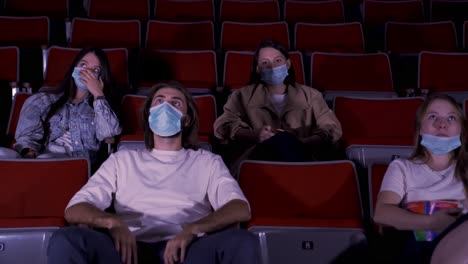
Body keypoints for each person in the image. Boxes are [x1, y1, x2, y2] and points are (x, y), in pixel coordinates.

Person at [47, 82, 259, 264]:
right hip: (129, 249)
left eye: (175, 103)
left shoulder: (208, 162)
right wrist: (113, 222)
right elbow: (75, 209)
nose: (166, 106)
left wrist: (193, 229)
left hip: (189, 249)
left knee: (242, 241)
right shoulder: (122, 160)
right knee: (66, 239)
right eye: (159, 101)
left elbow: (239, 208)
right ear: (149, 115)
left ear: (186, 119)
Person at [214, 40, 343, 171]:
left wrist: (304, 142)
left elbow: (331, 127)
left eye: (277, 61)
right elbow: (222, 126)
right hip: (257, 160)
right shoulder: (241, 95)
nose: (272, 67)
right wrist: (254, 135)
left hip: (302, 156)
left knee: (285, 141)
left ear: (287, 64)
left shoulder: (311, 95)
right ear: (258, 69)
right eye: (265, 63)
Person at [373, 94, 468, 263]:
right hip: (419, 249)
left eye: (451, 118)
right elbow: (382, 214)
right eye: (433, 117)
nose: (442, 124)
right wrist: (432, 222)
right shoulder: (402, 167)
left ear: (461, 131)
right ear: (420, 129)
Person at [0, 47, 121, 164]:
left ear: (100, 78)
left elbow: (109, 133)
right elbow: (27, 137)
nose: (87, 72)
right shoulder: (44, 99)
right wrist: (29, 152)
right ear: (74, 68)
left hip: (80, 164)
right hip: (46, 159)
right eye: (83, 65)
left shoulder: (102, 106)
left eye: (95, 70)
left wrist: (98, 94)